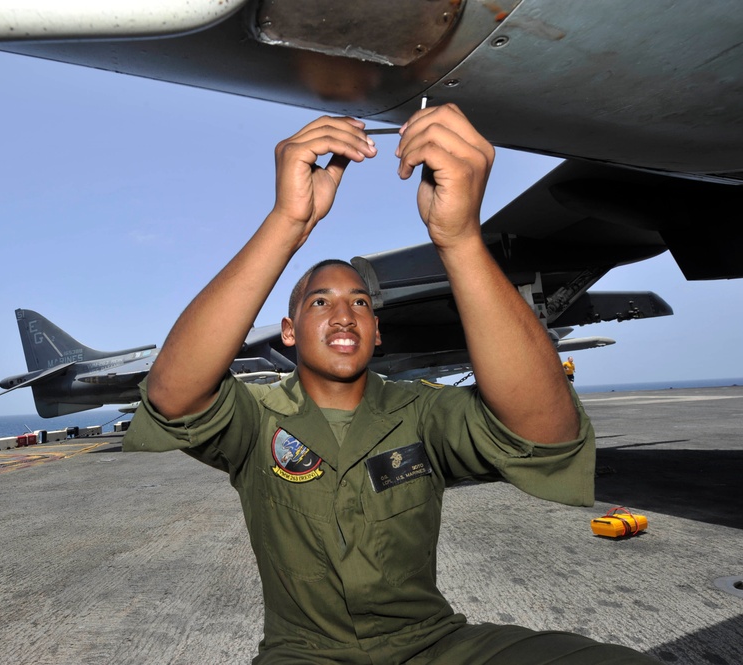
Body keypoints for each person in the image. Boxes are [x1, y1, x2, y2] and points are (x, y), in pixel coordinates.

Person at [124, 106, 659, 664]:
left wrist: (459, 241)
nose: (343, 314)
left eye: (360, 302)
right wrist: (287, 221)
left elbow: (548, 431)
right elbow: (173, 393)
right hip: (303, 654)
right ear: (288, 331)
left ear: (376, 332)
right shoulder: (256, 420)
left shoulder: (423, 414)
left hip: (431, 645)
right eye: (319, 302)